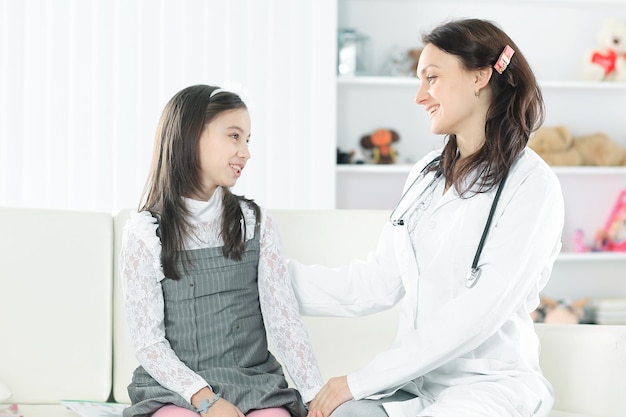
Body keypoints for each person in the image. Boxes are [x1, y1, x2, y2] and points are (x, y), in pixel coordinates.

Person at [289, 18, 565, 417]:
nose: (420, 97)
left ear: (481, 76)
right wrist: (266, 278)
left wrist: (359, 381)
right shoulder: (425, 175)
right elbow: (374, 284)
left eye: (431, 78)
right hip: (415, 383)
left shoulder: (532, 186)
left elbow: (478, 312)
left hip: (487, 387)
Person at [119, 84, 323, 417]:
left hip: (254, 381)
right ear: (192, 135)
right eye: (234, 136)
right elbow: (148, 343)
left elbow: (283, 320)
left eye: (247, 139)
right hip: (177, 389)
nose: (245, 152)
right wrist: (206, 400)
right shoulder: (146, 233)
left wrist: (315, 396)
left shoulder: (255, 223)